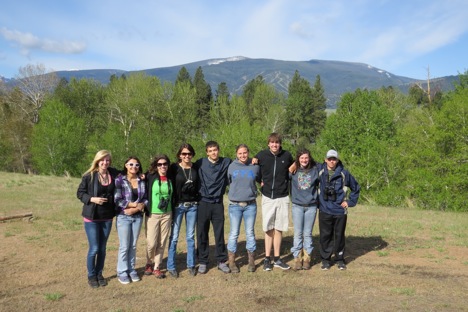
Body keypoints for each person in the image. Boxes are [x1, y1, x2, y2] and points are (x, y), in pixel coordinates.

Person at [77, 150, 118, 288]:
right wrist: (92, 199)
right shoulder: (89, 176)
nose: (105, 162)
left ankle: (99, 274)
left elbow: (129, 172)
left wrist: (142, 174)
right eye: (103, 160)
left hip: (107, 217)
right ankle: (91, 275)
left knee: (102, 248)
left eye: (107, 160)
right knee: (94, 248)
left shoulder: (113, 173)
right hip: (92, 217)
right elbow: (80, 193)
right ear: (97, 161)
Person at [255, 133, 294, 271]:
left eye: (277, 143)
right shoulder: (262, 155)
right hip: (268, 197)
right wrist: (259, 181)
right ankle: (267, 258)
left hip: (282, 197)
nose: (274, 145)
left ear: (280, 144)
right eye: (272, 143)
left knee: (279, 228)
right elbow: (254, 166)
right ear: (268, 144)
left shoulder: (287, 155)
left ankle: (277, 258)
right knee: (268, 228)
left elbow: (294, 166)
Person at [318, 149, 360, 271]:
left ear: (337, 160)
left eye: (334, 159)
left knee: (339, 236)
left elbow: (356, 188)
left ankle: (340, 259)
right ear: (325, 160)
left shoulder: (344, 174)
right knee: (325, 236)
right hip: (325, 209)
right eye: (329, 159)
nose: (332, 161)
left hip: (340, 211)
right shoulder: (320, 171)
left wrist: (349, 202)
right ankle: (325, 260)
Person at [195, 141, 231, 274]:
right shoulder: (200, 163)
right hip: (203, 202)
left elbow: (241, 162)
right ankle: (203, 261)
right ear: (206, 152)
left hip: (217, 203)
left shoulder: (226, 162)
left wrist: (254, 159)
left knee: (219, 233)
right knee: (202, 233)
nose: (213, 153)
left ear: (219, 150)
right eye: (210, 151)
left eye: (215, 150)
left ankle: (221, 261)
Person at [167, 144, 200, 278]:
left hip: (193, 206)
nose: (187, 156)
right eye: (184, 154)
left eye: (189, 154)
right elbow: (160, 173)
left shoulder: (195, 167)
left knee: (190, 236)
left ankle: (191, 265)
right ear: (179, 155)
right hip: (178, 206)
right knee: (174, 237)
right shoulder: (174, 168)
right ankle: (171, 266)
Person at [226, 144, 260, 273]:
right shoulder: (231, 166)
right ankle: (232, 261)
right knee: (234, 233)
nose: (242, 155)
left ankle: (251, 261)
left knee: (250, 233)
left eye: (245, 153)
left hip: (250, 205)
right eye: (240, 153)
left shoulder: (254, 165)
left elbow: (260, 178)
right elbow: (228, 181)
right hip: (235, 205)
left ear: (248, 152)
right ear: (236, 154)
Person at [114, 156, 147, 284]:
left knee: (133, 245)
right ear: (126, 165)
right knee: (124, 245)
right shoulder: (120, 180)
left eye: (137, 165)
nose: (134, 167)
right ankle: (122, 271)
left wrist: (137, 208)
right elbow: (117, 200)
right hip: (123, 217)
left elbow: (145, 199)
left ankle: (131, 269)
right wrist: (134, 205)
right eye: (131, 164)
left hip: (137, 217)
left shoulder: (142, 180)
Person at [144, 155, 173, 279]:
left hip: (167, 213)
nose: (163, 166)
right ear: (156, 166)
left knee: (162, 242)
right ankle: (148, 262)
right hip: (153, 214)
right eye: (160, 164)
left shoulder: (171, 178)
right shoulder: (149, 177)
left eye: (165, 164)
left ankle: (156, 266)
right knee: (151, 242)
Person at [289, 149, 319, 270]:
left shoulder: (315, 170)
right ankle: (297, 258)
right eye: (301, 158)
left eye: (306, 158)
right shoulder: (293, 170)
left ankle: (307, 258)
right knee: (298, 233)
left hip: (311, 206)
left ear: (309, 158)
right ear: (298, 159)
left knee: (307, 234)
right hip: (297, 206)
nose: (304, 160)